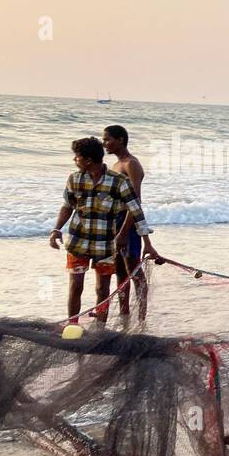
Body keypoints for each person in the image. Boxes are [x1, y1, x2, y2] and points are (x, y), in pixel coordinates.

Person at [49, 137, 157, 323]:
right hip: (77, 243)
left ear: (88, 160)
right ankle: (72, 323)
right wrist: (56, 229)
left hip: (106, 245)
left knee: (102, 289)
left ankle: (100, 327)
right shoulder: (74, 179)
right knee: (75, 287)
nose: (74, 161)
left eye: (77, 157)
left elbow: (136, 210)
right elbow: (68, 206)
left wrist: (147, 243)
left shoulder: (119, 181)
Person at [102, 124, 147, 317]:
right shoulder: (115, 165)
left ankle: (142, 316)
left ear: (120, 140)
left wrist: (124, 231)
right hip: (116, 221)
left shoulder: (131, 164)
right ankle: (124, 313)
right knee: (119, 270)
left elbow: (136, 200)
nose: (104, 144)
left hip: (128, 222)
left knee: (134, 269)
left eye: (107, 139)